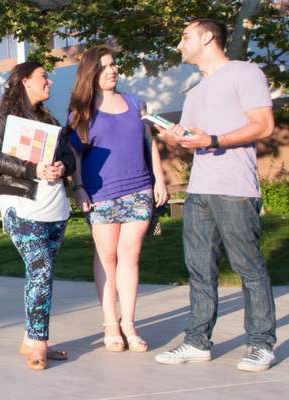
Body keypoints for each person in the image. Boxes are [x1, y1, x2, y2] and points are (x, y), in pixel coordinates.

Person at [153, 18, 279, 373]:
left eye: (184, 36)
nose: (179, 44)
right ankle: (197, 341)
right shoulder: (194, 92)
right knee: (199, 271)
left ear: (208, 37)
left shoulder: (244, 72)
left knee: (249, 269)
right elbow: (194, 141)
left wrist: (212, 140)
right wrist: (175, 137)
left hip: (236, 189)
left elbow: (263, 125)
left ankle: (261, 344)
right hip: (200, 191)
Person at [65, 45, 169, 353]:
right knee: (107, 257)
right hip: (101, 194)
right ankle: (110, 323)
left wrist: (159, 179)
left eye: (114, 64)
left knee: (131, 256)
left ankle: (129, 324)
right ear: (91, 73)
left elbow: (149, 142)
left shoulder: (135, 103)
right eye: (105, 66)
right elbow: (77, 156)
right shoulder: (81, 113)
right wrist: (79, 188)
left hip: (139, 189)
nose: (112, 70)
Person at [0, 60, 79, 370]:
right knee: (40, 271)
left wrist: (63, 167)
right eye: (43, 77)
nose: (49, 82)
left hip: (55, 208)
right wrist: (33, 169)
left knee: (42, 275)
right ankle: (40, 343)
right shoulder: (5, 118)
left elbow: (69, 159)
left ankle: (30, 338)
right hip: (21, 205)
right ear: (24, 81)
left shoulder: (50, 121)